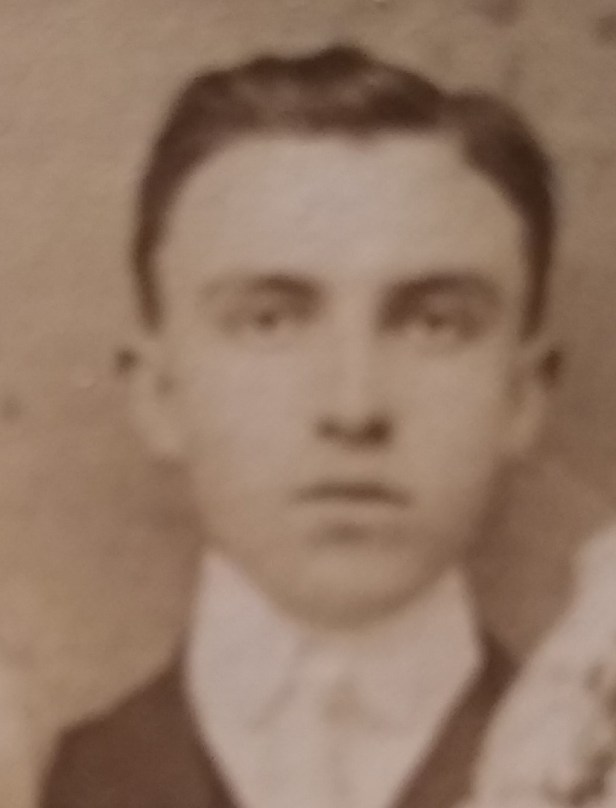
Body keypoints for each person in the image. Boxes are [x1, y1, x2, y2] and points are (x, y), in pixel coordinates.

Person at [41, 43, 556, 808]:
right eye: (269, 321)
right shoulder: (51, 780)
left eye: (435, 324)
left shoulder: (587, 764)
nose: (353, 409)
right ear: (159, 392)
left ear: (522, 394)